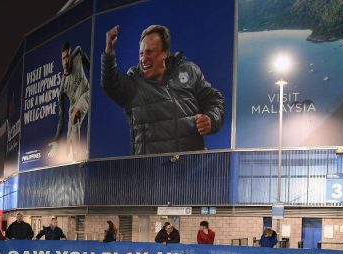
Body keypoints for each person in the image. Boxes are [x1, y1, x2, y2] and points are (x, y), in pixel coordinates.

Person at [102, 24, 225, 155]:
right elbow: (111, 84)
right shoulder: (134, 82)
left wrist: (211, 119)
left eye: (149, 52)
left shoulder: (189, 71)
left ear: (165, 53)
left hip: (192, 169)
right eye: (141, 53)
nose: (143, 59)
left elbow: (215, 101)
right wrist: (109, 51)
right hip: (151, 171)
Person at [49, 41, 90, 161]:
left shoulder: (77, 52)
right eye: (63, 58)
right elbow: (61, 118)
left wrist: (92, 69)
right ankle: (74, 158)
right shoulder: (62, 88)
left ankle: (78, 158)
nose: (66, 61)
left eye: (67, 57)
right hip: (73, 106)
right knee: (68, 148)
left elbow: (88, 63)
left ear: (70, 54)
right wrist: (56, 141)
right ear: (61, 60)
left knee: (73, 116)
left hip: (86, 93)